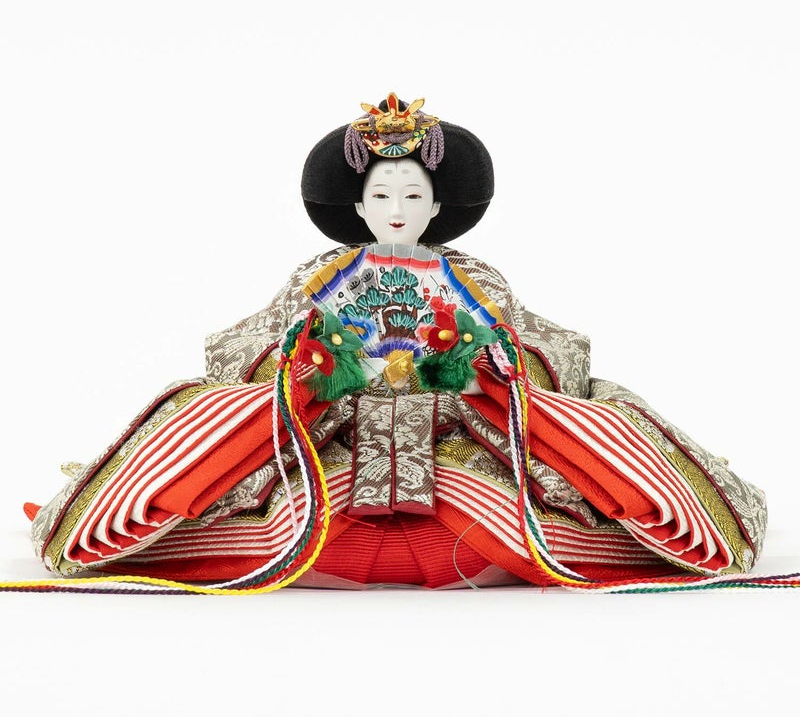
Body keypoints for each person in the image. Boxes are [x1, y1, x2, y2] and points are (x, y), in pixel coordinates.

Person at [24, 94, 768, 593]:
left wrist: (479, 368)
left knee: (579, 435)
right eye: (382, 195)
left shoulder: (473, 278)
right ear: (357, 203)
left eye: (413, 195)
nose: (398, 209)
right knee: (213, 427)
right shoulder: (320, 277)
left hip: (458, 439)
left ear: (439, 203)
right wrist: (314, 367)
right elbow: (244, 349)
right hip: (334, 438)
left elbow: (549, 351)